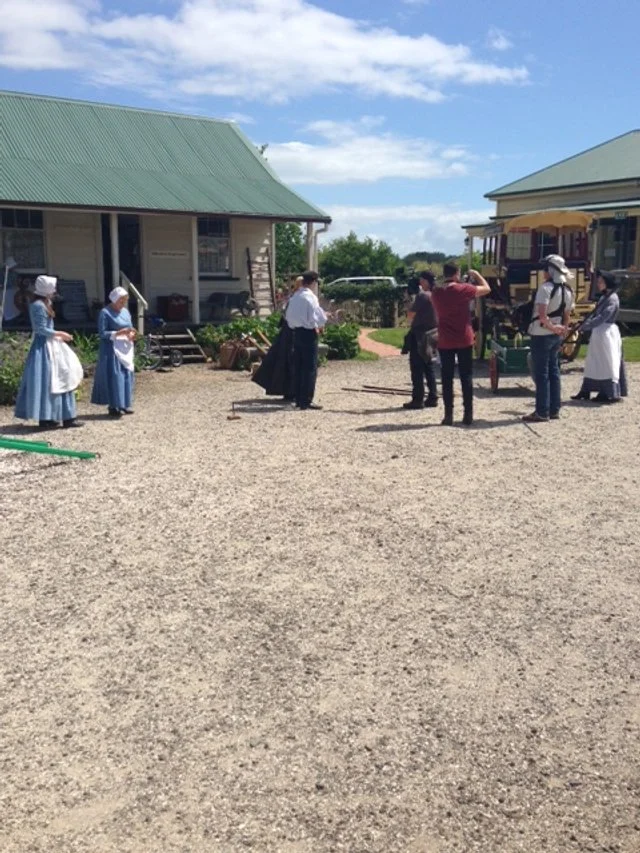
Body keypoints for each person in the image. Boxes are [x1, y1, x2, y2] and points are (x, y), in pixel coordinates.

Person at [14, 275, 83, 429]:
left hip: (53, 344)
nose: (54, 291)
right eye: (52, 288)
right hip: (43, 347)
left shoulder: (47, 303)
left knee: (64, 375)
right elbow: (39, 329)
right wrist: (60, 334)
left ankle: (66, 416)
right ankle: (46, 417)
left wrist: (57, 336)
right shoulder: (37, 305)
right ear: (46, 290)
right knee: (48, 380)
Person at [431, 263, 490, 426]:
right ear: (457, 274)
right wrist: (476, 274)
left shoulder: (437, 293)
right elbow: (486, 289)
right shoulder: (464, 289)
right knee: (466, 376)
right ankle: (468, 414)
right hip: (464, 337)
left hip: (445, 339)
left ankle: (448, 414)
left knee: (447, 377)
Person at [522, 254, 574, 423]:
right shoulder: (568, 290)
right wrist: (562, 330)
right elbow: (567, 316)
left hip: (541, 334)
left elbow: (543, 316)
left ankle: (541, 411)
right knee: (554, 371)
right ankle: (554, 409)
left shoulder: (545, 289)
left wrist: (552, 327)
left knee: (542, 373)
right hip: (556, 335)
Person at [571, 270, 628, 403]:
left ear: (607, 283)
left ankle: (608, 393)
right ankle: (586, 390)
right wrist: (584, 322)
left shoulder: (612, 299)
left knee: (607, 363)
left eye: (601, 282)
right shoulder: (604, 298)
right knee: (593, 362)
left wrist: (586, 326)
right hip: (598, 333)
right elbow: (595, 314)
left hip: (607, 333)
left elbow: (603, 317)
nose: (598, 284)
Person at [252, 276, 302, 401]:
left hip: (287, 332)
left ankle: (289, 390)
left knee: (284, 361)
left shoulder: (293, 297)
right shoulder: (296, 298)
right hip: (290, 332)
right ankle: (290, 390)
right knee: (288, 361)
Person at [91, 286, 136, 418]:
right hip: (111, 349)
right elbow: (102, 333)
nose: (123, 303)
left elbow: (130, 327)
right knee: (115, 377)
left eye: (125, 300)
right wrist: (117, 333)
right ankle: (113, 406)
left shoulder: (126, 312)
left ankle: (124, 404)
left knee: (127, 375)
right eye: (121, 300)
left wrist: (132, 334)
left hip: (125, 347)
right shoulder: (105, 313)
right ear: (115, 299)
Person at [286, 270, 327, 411]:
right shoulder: (311, 298)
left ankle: (298, 398)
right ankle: (306, 400)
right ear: (313, 282)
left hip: (296, 332)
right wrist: (322, 322)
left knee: (298, 366)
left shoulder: (295, 297)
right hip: (309, 333)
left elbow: (289, 317)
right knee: (309, 368)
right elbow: (317, 317)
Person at [403, 271, 438, 410]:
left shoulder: (423, 296)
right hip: (433, 332)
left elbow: (410, 314)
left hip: (420, 334)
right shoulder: (436, 295)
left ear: (425, 281)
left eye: (422, 280)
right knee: (428, 366)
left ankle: (418, 399)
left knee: (417, 367)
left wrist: (411, 300)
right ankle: (433, 396)